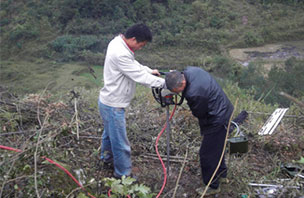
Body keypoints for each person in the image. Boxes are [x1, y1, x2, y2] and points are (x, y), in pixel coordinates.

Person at [98, 23, 165, 179]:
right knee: (121, 143)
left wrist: (149, 70)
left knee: (109, 135)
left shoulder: (118, 43)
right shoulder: (120, 53)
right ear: (133, 39)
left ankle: (106, 159)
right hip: (114, 105)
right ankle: (123, 175)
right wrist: (166, 84)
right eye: (141, 45)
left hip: (107, 101)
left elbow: (133, 65)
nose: (141, 48)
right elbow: (139, 76)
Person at [165, 66, 234, 196]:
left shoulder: (194, 93)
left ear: (182, 83)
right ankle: (222, 175)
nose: (177, 94)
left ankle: (212, 186)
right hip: (225, 109)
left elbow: (199, 113)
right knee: (218, 148)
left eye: (176, 91)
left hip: (216, 119)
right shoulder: (190, 70)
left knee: (207, 154)